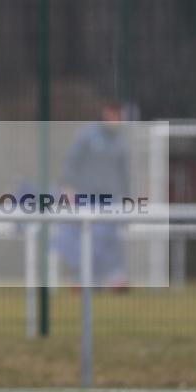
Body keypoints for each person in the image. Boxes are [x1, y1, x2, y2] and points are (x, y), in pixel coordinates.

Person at [56, 102, 130, 289]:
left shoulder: (120, 142)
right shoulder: (87, 136)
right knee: (86, 240)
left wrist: (129, 197)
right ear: (106, 113)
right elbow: (72, 162)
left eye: (118, 117)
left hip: (110, 199)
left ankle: (115, 277)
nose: (115, 120)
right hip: (87, 197)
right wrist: (67, 186)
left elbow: (124, 174)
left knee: (110, 239)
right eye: (113, 115)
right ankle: (86, 279)